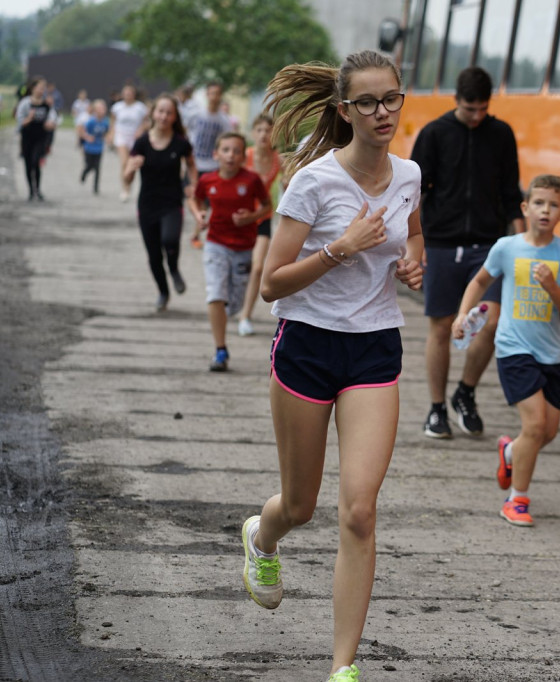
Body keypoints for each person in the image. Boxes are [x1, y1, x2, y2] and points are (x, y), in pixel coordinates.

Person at [243, 50, 423, 682]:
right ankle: (263, 538)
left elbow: (413, 234)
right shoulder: (313, 183)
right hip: (309, 346)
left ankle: (342, 668)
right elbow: (271, 283)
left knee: (359, 510)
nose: (382, 112)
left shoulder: (409, 175)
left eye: (391, 99)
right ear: (345, 111)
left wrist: (413, 263)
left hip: (374, 349)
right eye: (368, 102)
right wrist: (340, 249)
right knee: (300, 504)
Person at [452, 174, 560, 527]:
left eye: (553, 205)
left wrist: (552, 286)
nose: (546, 210)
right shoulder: (507, 247)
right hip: (513, 349)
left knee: (547, 432)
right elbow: (480, 280)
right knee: (536, 425)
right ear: (525, 208)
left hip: (551, 354)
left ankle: (510, 451)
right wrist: (464, 313)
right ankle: (517, 500)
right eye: (539, 203)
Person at [411, 66, 525, 440]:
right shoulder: (434, 134)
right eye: (469, 109)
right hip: (442, 244)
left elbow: (511, 194)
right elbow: (414, 195)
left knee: (490, 323)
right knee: (442, 327)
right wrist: (415, 243)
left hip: (488, 245)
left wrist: (522, 246)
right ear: (456, 101)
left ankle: (466, 392)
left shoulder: (501, 134)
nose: (477, 117)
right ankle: (437, 408)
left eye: (483, 109)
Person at [187, 132, 271, 369]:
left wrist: (251, 217)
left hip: (244, 248)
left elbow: (267, 206)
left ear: (244, 157)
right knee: (215, 294)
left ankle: (229, 311)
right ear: (216, 154)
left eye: (236, 151)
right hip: (215, 245)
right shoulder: (208, 181)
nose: (231, 155)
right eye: (225, 150)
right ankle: (220, 350)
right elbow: (195, 200)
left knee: (233, 305)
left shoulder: (252, 180)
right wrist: (199, 214)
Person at [124, 94, 198, 312]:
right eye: (161, 111)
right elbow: (126, 178)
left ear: (175, 117)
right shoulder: (141, 142)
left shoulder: (181, 143)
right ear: (153, 113)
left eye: (169, 113)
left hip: (172, 203)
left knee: (170, 239)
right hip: (147, 205)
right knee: (154, 255)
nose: (164, 116)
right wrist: (131, 168)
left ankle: (174, 269)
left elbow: (192, 166)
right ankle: (163, 292)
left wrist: (193, 183)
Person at [236, 114, 282, 336]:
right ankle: (231, 301)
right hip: (238, 217)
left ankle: (245, 315)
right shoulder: (245, 156)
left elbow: (290, 181)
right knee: (235, 265)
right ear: (253, 133)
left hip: (263, 218)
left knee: (257, 268)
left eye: (269, 130)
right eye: (260, 130)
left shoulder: (278, 159)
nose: (264, 134)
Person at [15, 77, 57, 201]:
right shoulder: (25, 103)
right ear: (33, 88)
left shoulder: (46, 104)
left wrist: (51, 123)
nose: (41, 91)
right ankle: (31, 191)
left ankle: (38, 189)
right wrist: (29, 118)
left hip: (40, 137)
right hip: (27, 137)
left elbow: (54, 118)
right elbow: (19, 121)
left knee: (35, 162)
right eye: (39, 88)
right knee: (28, 164)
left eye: (43, 88)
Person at [110, 84, 149, 202]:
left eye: (130, 93)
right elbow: (113, 121)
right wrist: (111, 134)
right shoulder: (117, 107)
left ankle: (129, 183)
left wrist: (141, 130)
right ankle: (125, 188)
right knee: (124, 163)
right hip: (121, 136)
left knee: (132, 164)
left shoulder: (140, 107)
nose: (127, 95)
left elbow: (146, 121)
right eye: (125, 93)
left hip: (135, 138)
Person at [187, 81, 231, 175]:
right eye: (212, 93)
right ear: (206, 94)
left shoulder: (224, 120)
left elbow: (228, 140)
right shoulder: (195, 114)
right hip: (194, 162)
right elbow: (184, 130)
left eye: (217, 93)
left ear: (221, 96)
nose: (214, 97)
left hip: (213, 165)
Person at [79, 100, 109, 194]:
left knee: (97, 168)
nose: (102, 111)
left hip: (99, 148)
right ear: (95, 110)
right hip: (89, 148)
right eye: (99, 109)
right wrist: (87, 137)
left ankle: (96, 188)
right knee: (90, 165)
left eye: (103, 109)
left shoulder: (105, 122)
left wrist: (107, 138)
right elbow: (81, 131)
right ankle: (84, 173)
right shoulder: (90, 121)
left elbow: (107, 132)